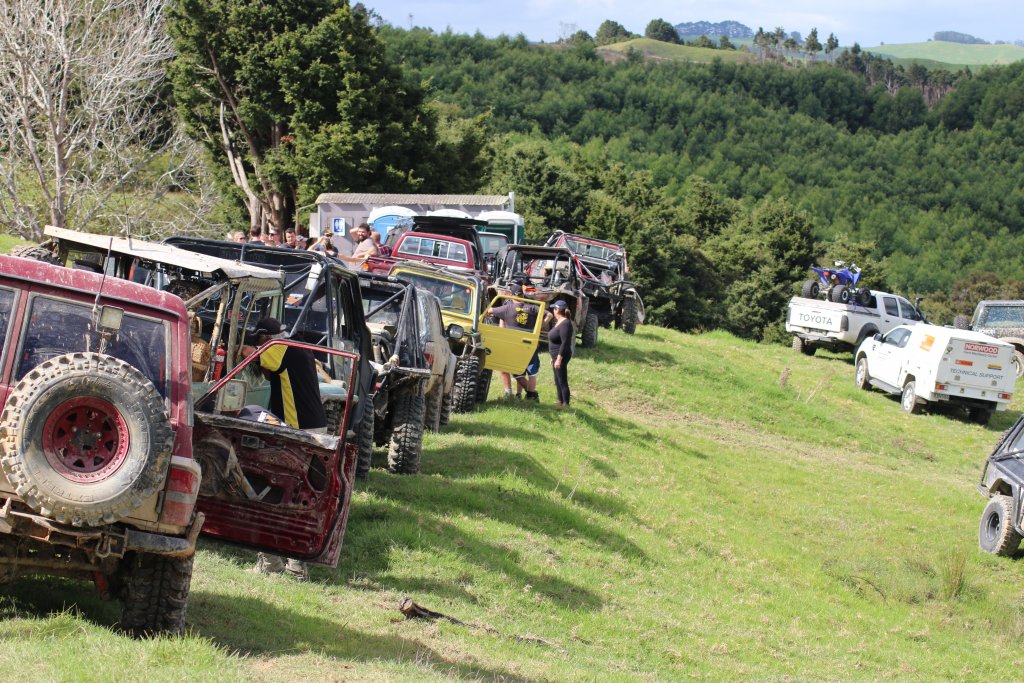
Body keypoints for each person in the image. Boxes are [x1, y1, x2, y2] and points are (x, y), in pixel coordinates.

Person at [240, 317, 327, 431]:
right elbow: (271, 377)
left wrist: (230, 349)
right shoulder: (298, 346)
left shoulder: (279, 347)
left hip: (300, 426)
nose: (257, 345)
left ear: (268, 338)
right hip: (316, 423)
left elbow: (246, 351)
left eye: (258, 342)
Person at [486, 283, 540, 401]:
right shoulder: (532, 307)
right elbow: (548, 315)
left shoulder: (507, 307)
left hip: (510, 342)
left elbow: (489, 311)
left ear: (510, 294)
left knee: (513, 370)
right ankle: (521, 394)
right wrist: (539, 326)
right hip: (529, 341)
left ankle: (529, 394)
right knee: (528, 371)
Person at [547, 300, 574, 408]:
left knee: (562, 379)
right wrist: (553, 357)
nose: (553, 310)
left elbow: (565, 343)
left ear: (558, 310)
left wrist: (559, 359)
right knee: (557, 378)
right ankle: (560, 400)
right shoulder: (559, 321)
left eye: (554, 308)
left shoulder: (566, 323)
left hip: (561, 355)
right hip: (556, 355)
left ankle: (566, 404)